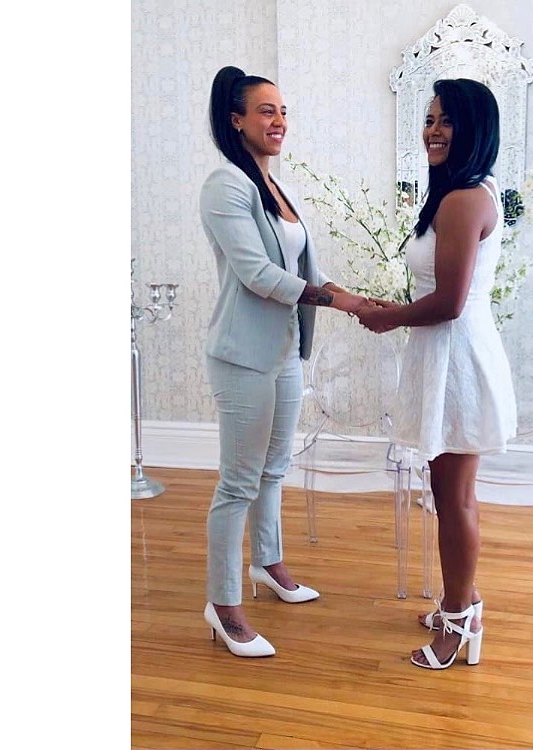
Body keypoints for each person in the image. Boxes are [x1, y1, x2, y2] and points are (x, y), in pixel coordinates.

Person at [199, 65, 369, 658]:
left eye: (283, 111)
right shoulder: (226, 186)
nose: (279, 121)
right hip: (243, 357)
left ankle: (268, 563)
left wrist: (351, 296)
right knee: (238, 483)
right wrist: (337, 299)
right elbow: (257, 274)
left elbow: (302, 271)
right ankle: (223, 605)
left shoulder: (274, 185)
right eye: (266, 111)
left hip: (285, 351)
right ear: (236, 119)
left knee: (275, 469)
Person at [357, 78, 517, 670]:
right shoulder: (464, 193)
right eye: (428, 119)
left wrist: (387, 318)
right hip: (445, 355)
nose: (432, 130)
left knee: (453, 498)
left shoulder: (463, 199)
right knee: (450, 493)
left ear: (475, 127)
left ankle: (458, 623)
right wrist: (390, 311)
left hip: (456, 357)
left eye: (445, 120)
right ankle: (463, 599)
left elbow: (449, 302)